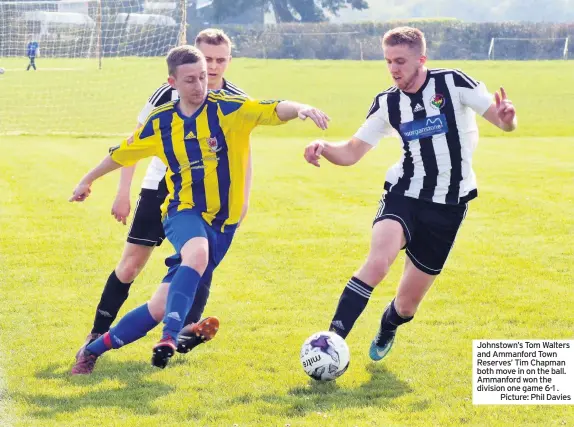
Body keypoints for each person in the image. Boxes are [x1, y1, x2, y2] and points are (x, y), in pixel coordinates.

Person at [69, 44, 330, 374]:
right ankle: (169, 338)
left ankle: (91, 351)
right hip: (184, 211)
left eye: (203, 77)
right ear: (172, 82)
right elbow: (122, 153)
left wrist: (302, 108)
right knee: (195, 254)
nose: (199, 85)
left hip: (225, 224)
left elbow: (274, 108)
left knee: (160, 305)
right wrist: (87, 179)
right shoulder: (161, 122)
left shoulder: (229, 110)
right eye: (190, 79)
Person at [303, 26, 517, 361]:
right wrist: (323, 147)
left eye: (400, 61)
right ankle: (330, 344)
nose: (393, 68)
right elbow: (352, 152)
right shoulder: (387, 103)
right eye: (388, 61)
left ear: (421, 59)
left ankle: (389, 324)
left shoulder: (452, 83)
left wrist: (507, 120)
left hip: (448, 205)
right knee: (377, 263)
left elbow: (501, 121)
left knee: (406, 305)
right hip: (404, 193)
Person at [74, 29, 250, 366]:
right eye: (206, 59)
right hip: (160, 189)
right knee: (131, 265)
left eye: (220, 60)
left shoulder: (235, 100)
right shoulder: (165, 95)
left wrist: (241, 204)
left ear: (229, 60)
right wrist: (123, 191)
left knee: (197, 266)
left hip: (207, 199)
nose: (212, 68)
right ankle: (97, 333)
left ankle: (181, 332)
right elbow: (134, 143)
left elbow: (243, 155)